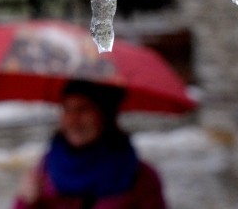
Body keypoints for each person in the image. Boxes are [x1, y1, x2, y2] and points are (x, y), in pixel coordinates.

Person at [12, 80, 167, 209]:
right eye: (67, 109)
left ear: (105, 114)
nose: (73, 120)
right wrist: (26, 202)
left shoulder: (141, 177)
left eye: (83, 109)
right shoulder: (45, 169)